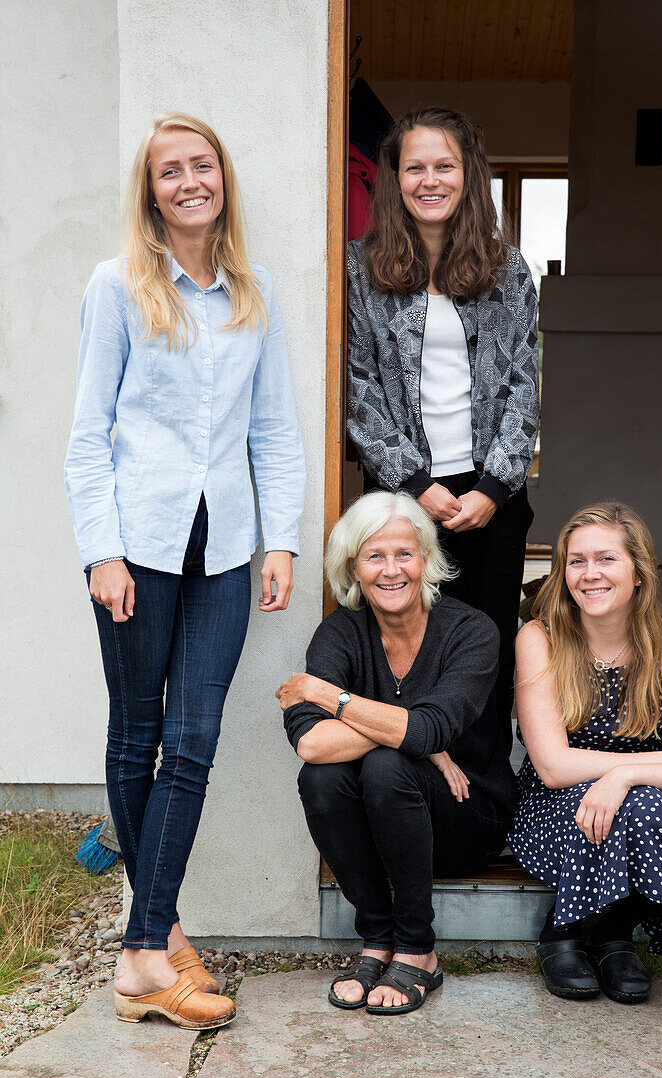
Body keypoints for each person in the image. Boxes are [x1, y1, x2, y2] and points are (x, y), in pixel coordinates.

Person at [64, 113, 305, 1028]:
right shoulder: (117, 286)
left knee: (193, 736)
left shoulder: (254, 291)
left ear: (223, 180)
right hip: (137, 546)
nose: (189, 181)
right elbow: (88, 436)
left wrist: (277, 539)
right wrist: (102, 552)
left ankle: (145, 943)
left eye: (202, 165)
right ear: (152, 190)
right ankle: (152, 949)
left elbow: (274, 429)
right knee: (139, 735)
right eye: (171, 170)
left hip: (225, 550)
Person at [276, 491, 516, 1015]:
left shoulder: (472, 631)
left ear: (426, 560)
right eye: (374, 556)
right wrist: (417, 738)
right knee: (323, 778)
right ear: (353, 569)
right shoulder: (339, 633)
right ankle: (377, 938)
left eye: (404, 554)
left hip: (466, 813)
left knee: (386, 766)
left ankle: (418, 949)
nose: (392, 570)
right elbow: (312, 743)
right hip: (380, 822)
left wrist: (330, 697)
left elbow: (430, 728)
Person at [346, 106, 539, 754]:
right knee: (404, 650)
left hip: (490, 499)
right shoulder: (359, 269)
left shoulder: (507, 271)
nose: (430, 180)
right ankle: (411, 790)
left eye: (444, 166)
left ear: (467, 175)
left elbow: (522, 386)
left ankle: (483, 799)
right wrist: (415, 485)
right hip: (403, 499)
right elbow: (359, 390)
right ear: (394, 177)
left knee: (485, 650)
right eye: (415, 166)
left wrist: (492, 488)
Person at [508, 502, 662, 1004]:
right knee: (628, 799)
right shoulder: (538, 638)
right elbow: (552, 765)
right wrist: (659, 765)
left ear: (638, 572)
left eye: (606, 559)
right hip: (556, 803)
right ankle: (562, 931)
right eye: (576, 561)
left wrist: (628, 775)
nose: (590, 574)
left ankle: (616, 933)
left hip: (639, 793)